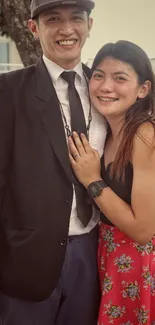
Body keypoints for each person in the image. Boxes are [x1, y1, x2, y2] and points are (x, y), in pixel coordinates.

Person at [0, 0, 107, 324]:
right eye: (53, 19)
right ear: (34, 28)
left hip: (91, 255)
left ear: (89, 24)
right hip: (24, 259)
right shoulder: (8, 92)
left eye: (76, 18)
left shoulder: (107, 90)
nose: (66, 29)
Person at [68, 40, 155, 324]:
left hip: (138, 265)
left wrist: (92, 180)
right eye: (98, 75)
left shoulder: (145, 135)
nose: (106, 87)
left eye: (120, 78)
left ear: (143, 89)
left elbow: (143, 230)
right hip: (106, 256)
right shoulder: (105, 131)